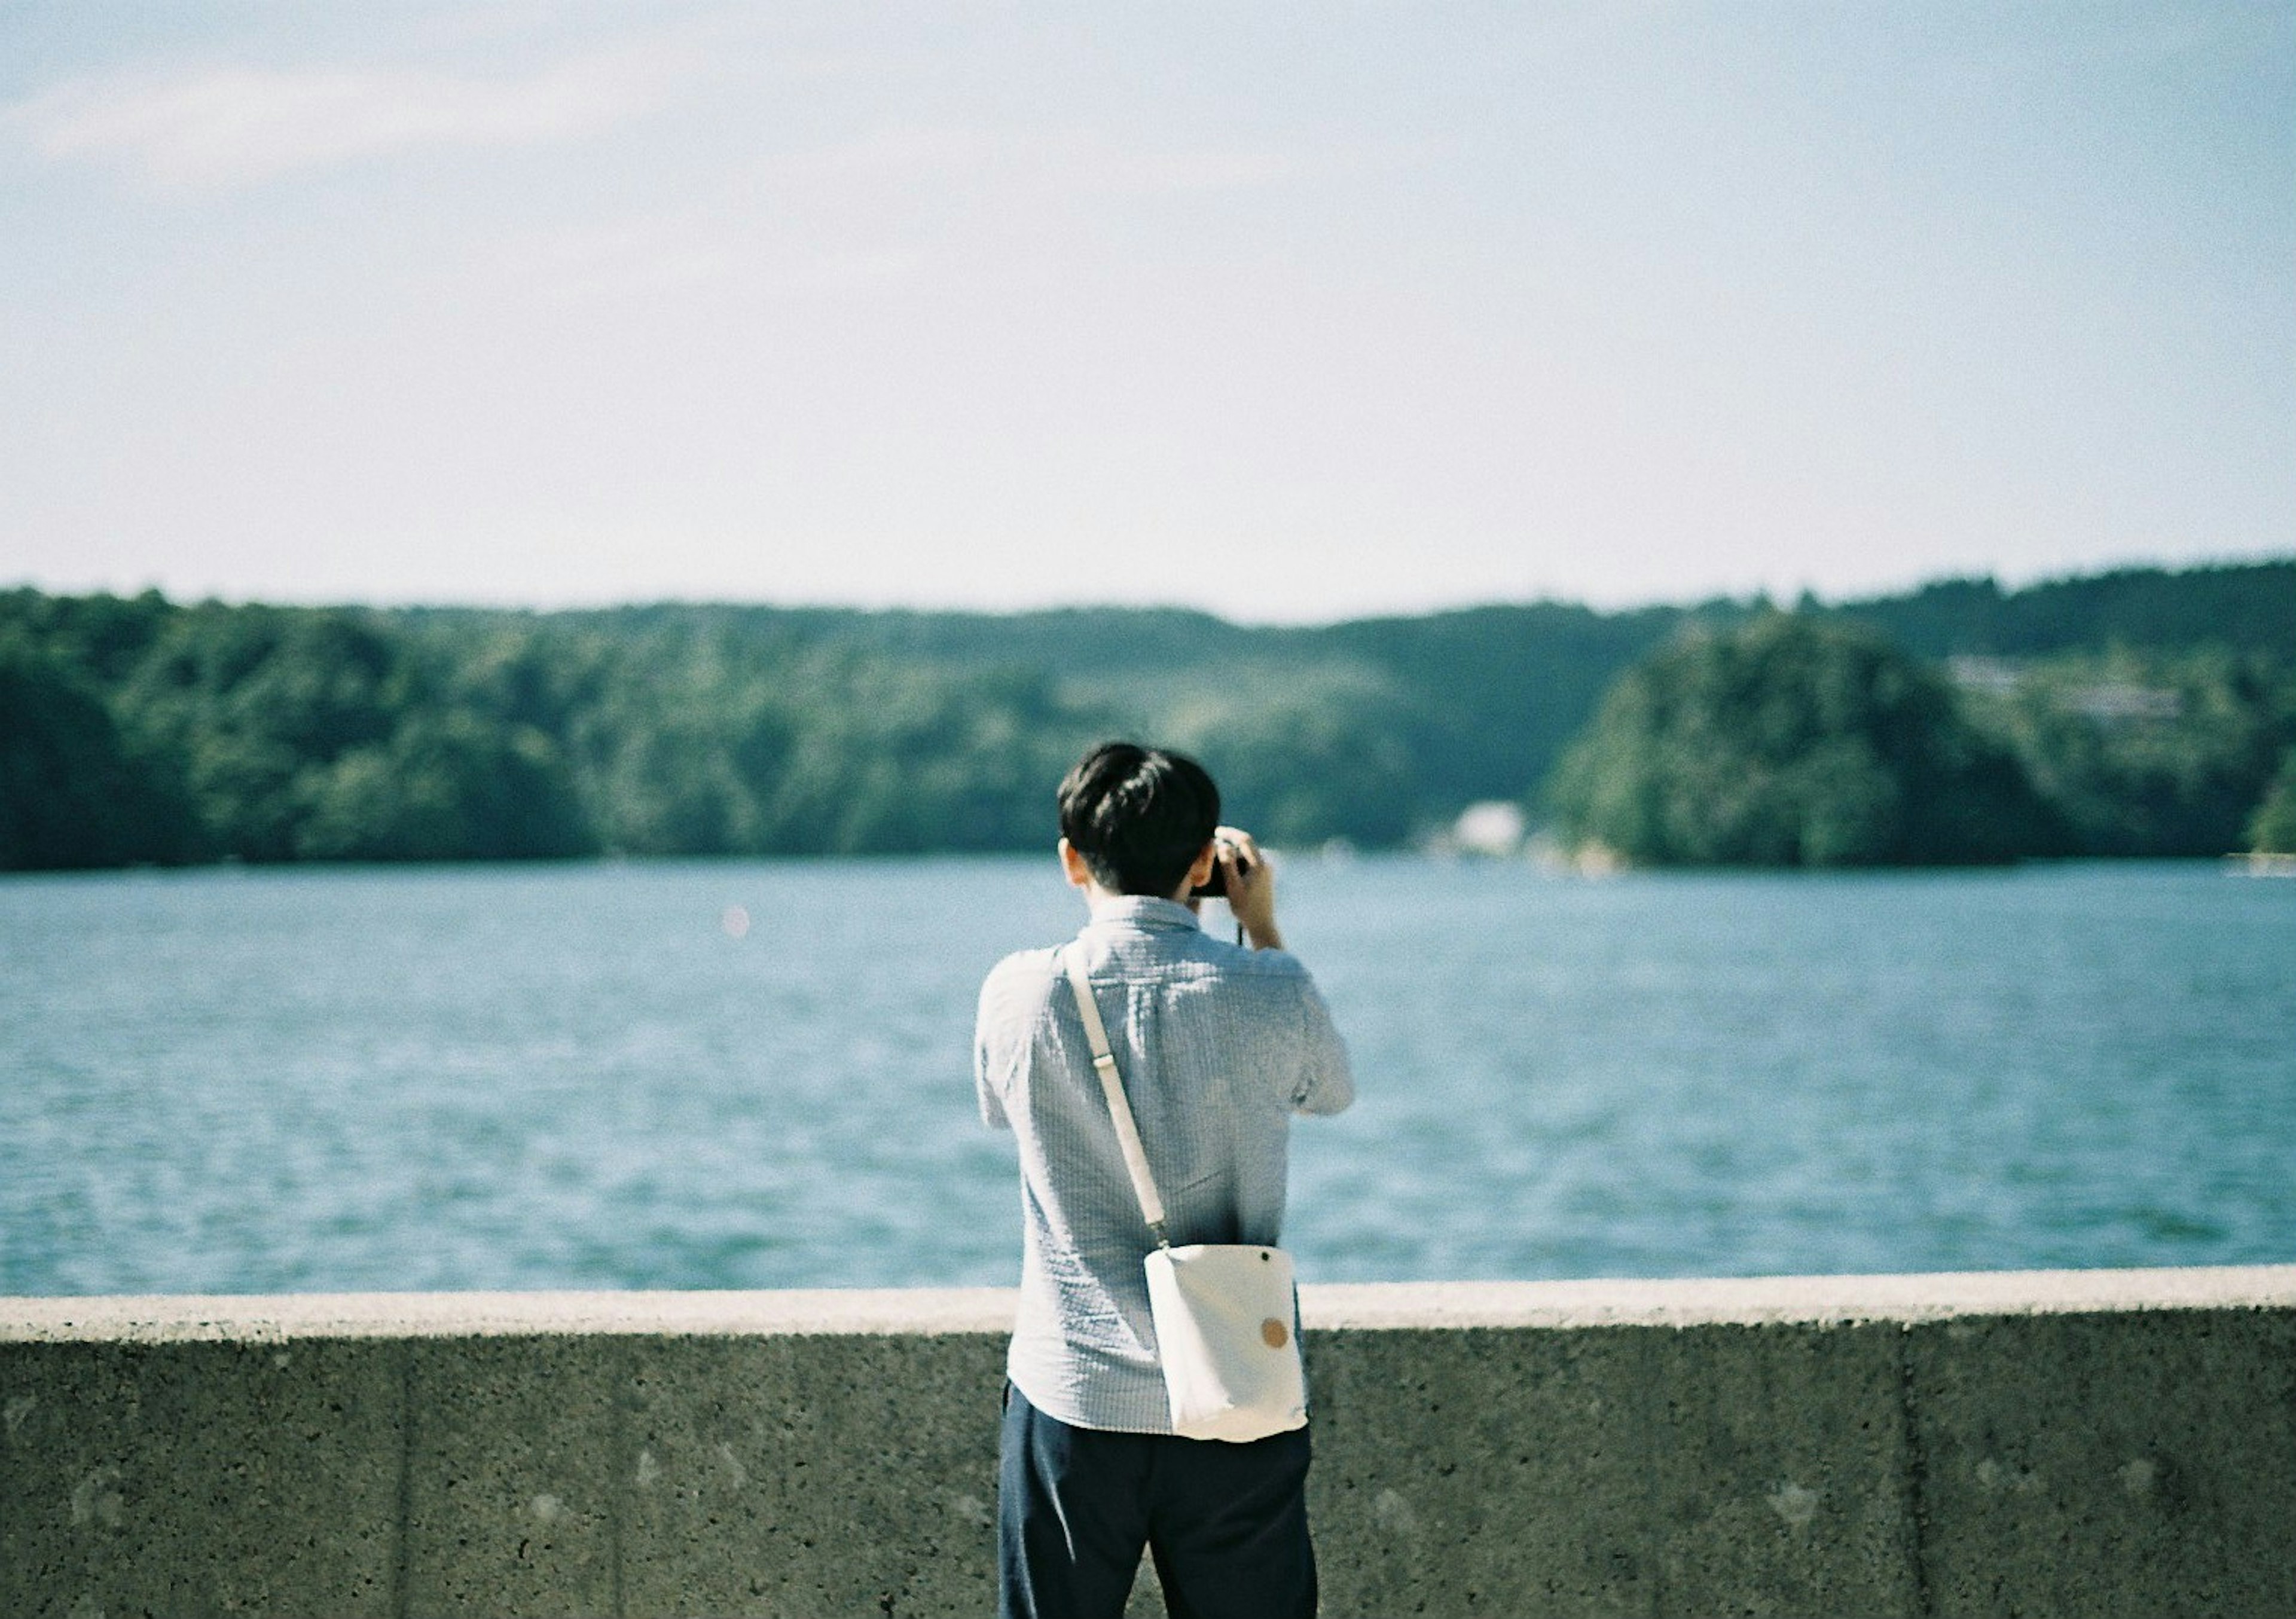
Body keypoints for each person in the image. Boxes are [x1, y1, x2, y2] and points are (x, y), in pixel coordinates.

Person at [975, 741, 1355, 1619]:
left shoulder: (1018, 992)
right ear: (1204, 864)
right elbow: (1332, 1091)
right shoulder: (1271, 991)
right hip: (1235, 1390)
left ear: (1073, 860)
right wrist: (1260, 927)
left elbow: (1002, 1110)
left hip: (1073, 1388)